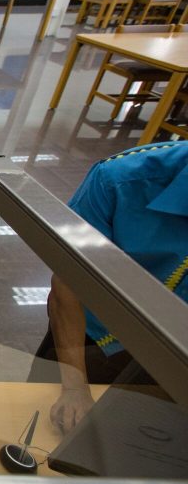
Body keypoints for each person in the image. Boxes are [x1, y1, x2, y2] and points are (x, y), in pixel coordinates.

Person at [31, 141, 188, 434]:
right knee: (45, 429)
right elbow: (68, 284)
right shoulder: (118, 180)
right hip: (94, 340)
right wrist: (75, 386)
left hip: (177, 358)